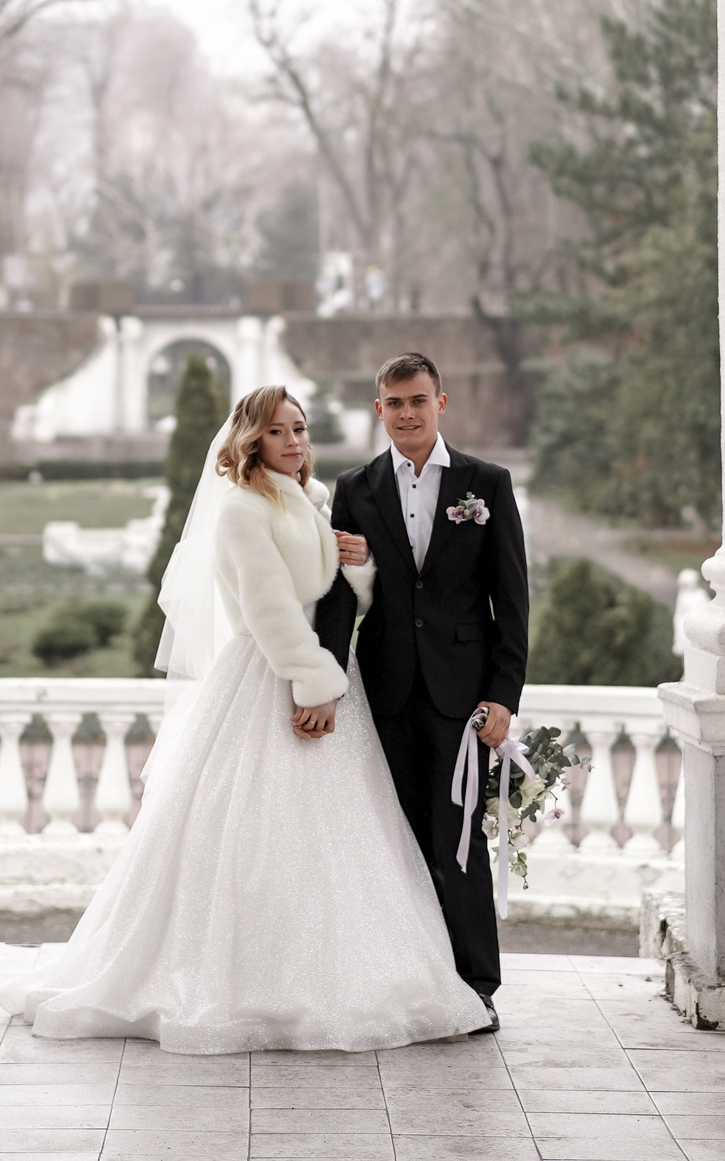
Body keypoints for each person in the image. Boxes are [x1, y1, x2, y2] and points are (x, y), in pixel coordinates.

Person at [0, 384, 487, 1053]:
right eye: (281, 432)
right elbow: (269, 610)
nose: (296, 442)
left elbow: (334, 594)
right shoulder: (241, 510)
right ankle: (245, 984)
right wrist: (313, 683)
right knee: (253, 833)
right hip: (276, 675)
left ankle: (333, 974)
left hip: (323, 671)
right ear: (251, 440)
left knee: (335, 840)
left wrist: (362, 567)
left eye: (302, 430)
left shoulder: (305, 500)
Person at [313, 352, 529, 1034]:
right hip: (385, 690)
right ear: (378, 410)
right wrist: (324, 678)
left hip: (463, 697)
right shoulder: (356, 486)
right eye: (394, 403)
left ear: (442, 403)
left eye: (418, 400)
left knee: (457, 841)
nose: (407, 413)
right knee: (393, 842)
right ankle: (413, 978)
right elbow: (343, 597)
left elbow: (512, 599)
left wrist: (503, 695)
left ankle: (476, 985)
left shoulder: (485, 484)